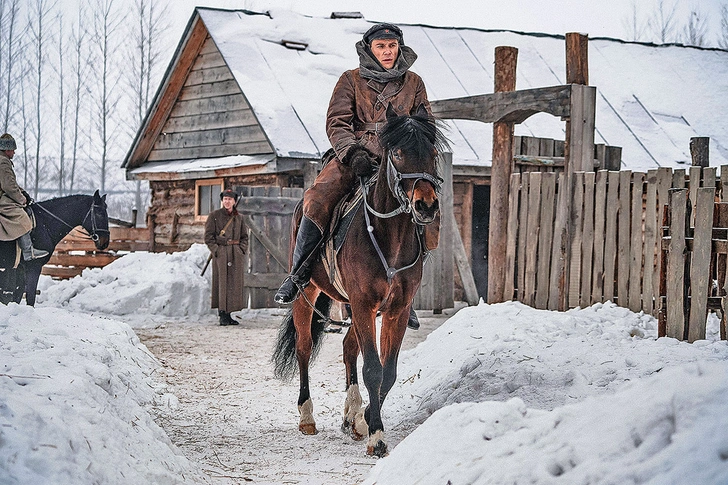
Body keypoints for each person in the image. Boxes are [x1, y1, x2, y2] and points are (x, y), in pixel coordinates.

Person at [274, 23, 432, 330]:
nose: (387, 52)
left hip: (397, 160)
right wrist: (352, 152)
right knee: (318, 199)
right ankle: (299, 273)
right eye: (381, 47)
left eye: (392, 46)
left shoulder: (414, 82)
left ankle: (406, 292)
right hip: (354, 157)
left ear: (399, 47)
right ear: (369, 49)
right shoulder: (351, 79)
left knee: (426, 206)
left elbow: (425, 122)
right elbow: (337, 122)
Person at [0, 133, 48, 261]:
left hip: (4, 194)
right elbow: (8, 187)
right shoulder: (3, 162)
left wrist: (23, 192)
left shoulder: (3, 161)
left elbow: (11, 183)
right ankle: (28, 251)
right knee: (21, 217)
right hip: (2, 199)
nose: (14, 152)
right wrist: (22, 199)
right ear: (6, 149)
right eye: (12, 150)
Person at [204, 189, 249, 326]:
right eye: (225, 199)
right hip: (222, 253)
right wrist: (217, 251)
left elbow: (244, 237)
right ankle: (222, 313)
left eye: (230, 199)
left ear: (234, 201)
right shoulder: (214, 216)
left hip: (235, 254)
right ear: (222, 201)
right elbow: (208, 237)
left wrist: (241, 250)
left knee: (233, 284)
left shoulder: (239, 218)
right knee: (222, 283)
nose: (227, 201)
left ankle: (229, 314)